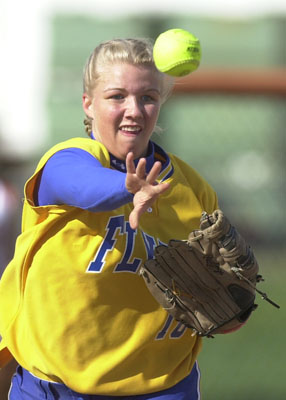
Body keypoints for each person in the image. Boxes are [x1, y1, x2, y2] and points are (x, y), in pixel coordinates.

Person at [0, 37, 220, 399]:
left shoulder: (192, 189)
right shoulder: (66, 160)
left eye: (148, 97)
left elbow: (221, 296)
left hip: (161, 385)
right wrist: (128, 188)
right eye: (117, 96)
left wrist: (232, 305)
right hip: (55, 384)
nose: (134, 109)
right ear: (88, 104)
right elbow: (83, 185)